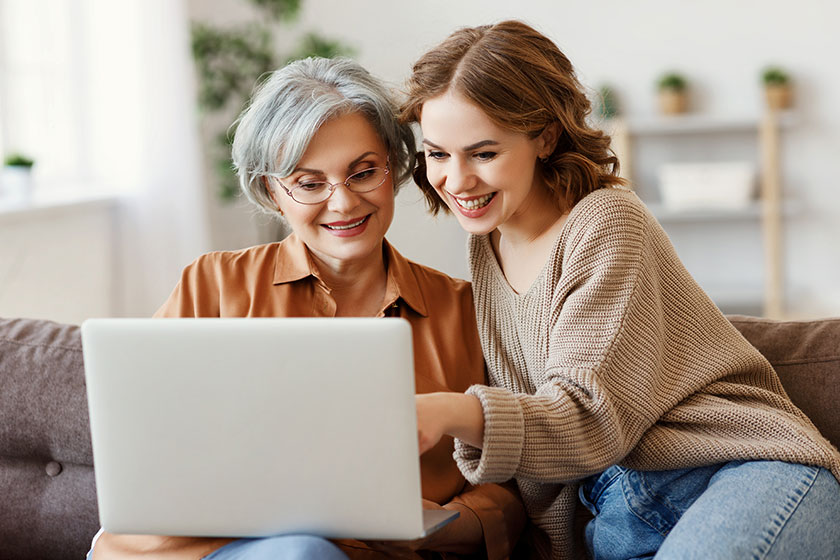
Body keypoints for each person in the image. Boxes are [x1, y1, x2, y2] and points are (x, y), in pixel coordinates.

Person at [400, 20, 840, 560]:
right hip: (621, 516)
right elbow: (550, 469)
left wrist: (448, 412)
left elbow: (591, 416)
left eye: (483, 153)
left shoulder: (606, 222)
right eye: (438, 154)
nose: (457, 180)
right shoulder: (486, 249)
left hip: (740, 473)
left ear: (544, 135)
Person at [88, 57, 525, 560]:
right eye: (310, 183)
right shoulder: (213, 286)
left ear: (394, 170)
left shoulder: (466, 311)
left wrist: (446, 525)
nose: (342, 203)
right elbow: (143, 449)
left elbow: (516, 485)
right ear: (274, 192)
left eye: (363, 172)